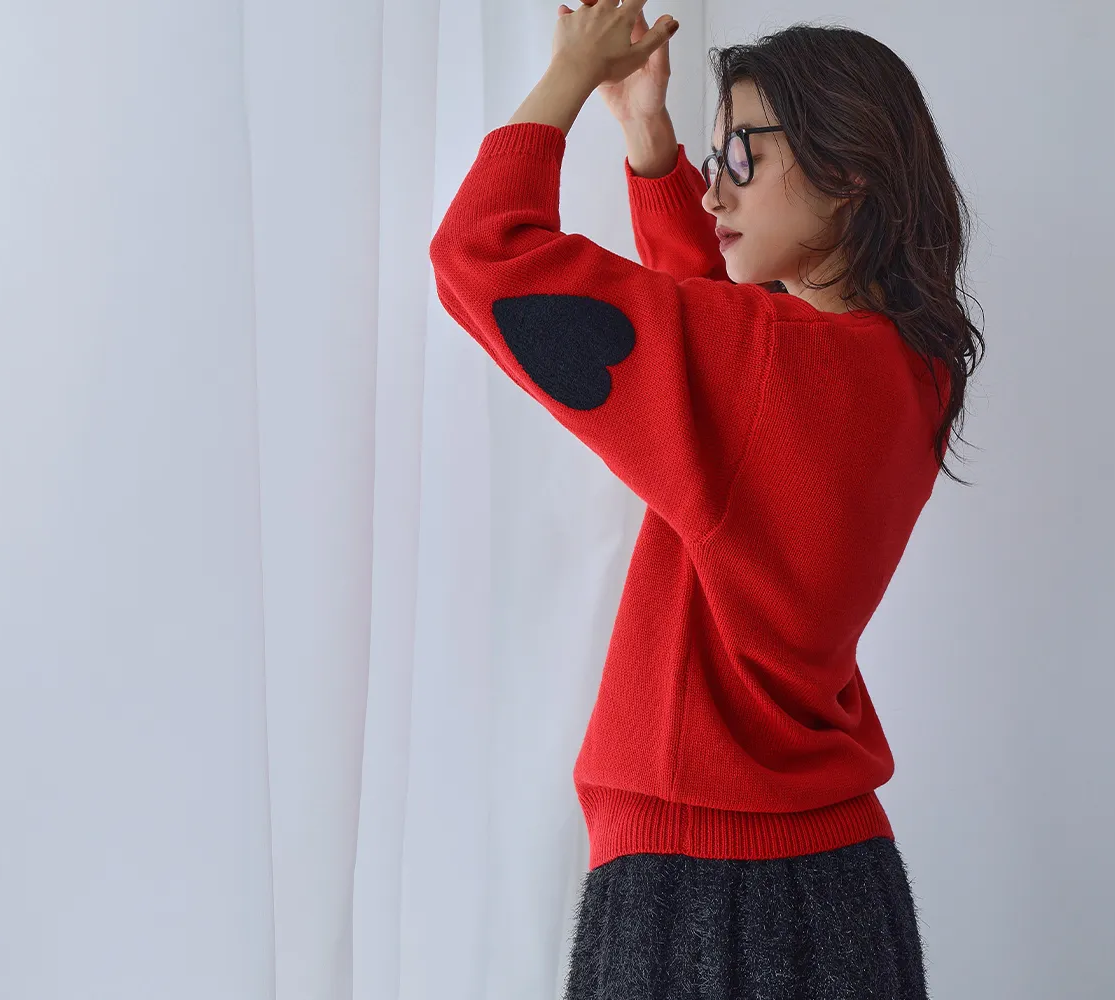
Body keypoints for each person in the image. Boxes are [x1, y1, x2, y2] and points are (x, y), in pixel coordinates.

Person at [428, 1, 984, 995]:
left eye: (742, 157)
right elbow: (723, 341)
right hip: (842, 880)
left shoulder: (766, 366)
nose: (716, 188)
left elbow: (483, 253)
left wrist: (568, 77)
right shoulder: (914, 371)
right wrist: (650, 144)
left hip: (700, 891)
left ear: (848, 170)